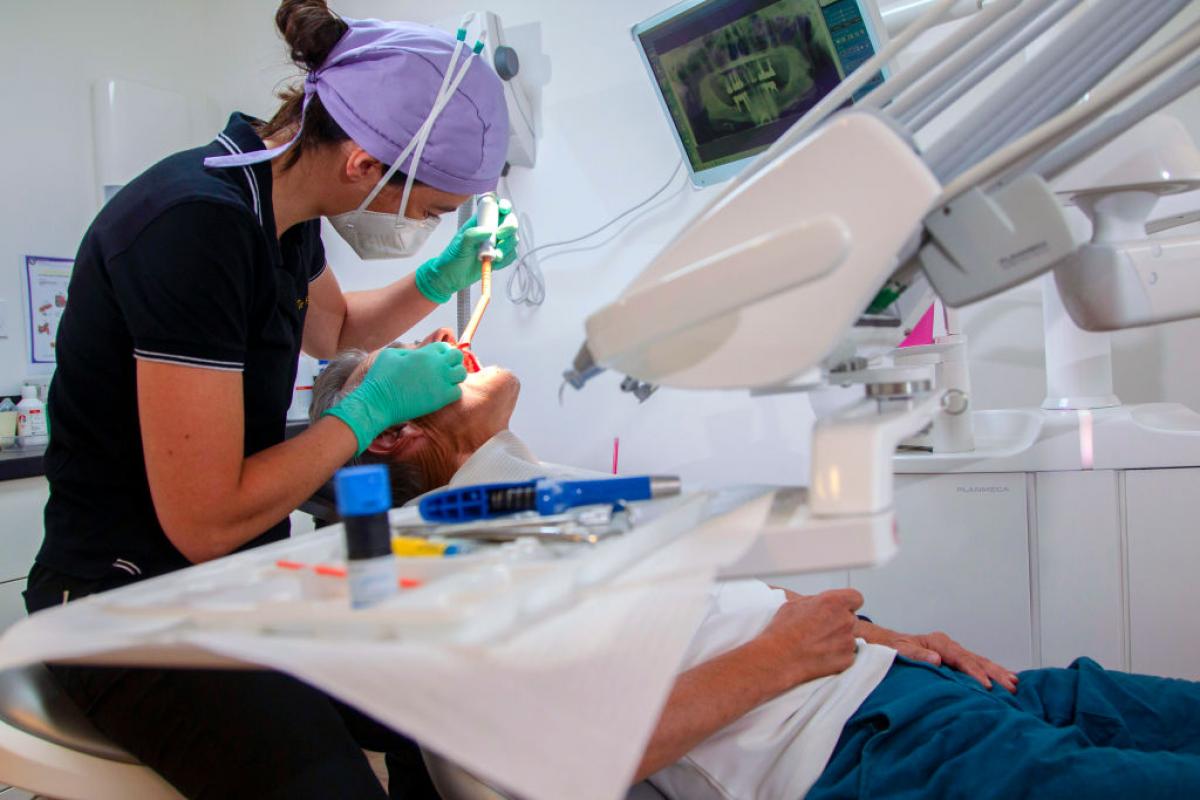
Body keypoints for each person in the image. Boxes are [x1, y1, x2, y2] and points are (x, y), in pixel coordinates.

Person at [314, 344, 1200, 800]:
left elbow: (712, 611)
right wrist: (781, 658)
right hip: (865, 759)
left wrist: (884, 638)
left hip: (924, 690)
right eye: (409, 361)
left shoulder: (533, 497)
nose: (445, 341)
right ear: (393, 431)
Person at [23, 2, 520, 797]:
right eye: (428, 213)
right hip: (126, 602)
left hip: (231, 575)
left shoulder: (280, 210)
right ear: (364, 164)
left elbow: (336, 328)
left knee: (443, 710)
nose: (429, 226)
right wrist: (367, 412)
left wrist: (440, 279)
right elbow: (205, 518)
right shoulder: (194, 226)